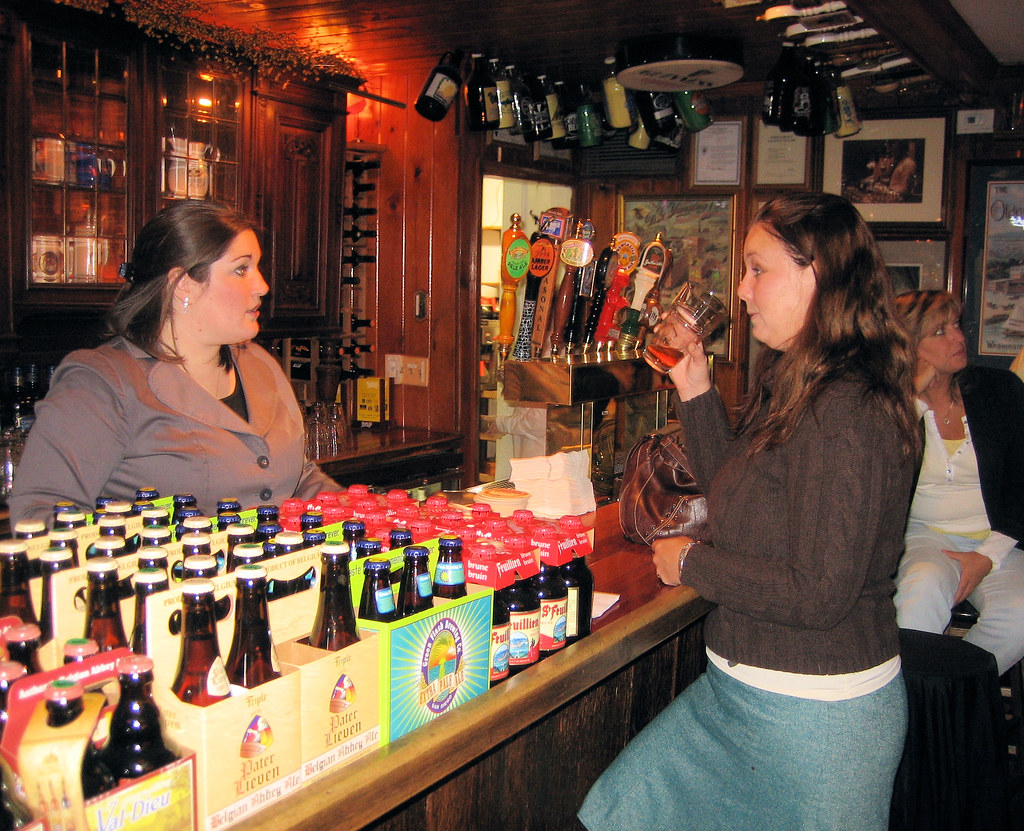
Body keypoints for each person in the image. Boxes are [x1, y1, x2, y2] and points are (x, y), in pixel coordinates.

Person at [579, 192, 921, 831]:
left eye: (757, 268)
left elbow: (819, 592)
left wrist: (693, 564)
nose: (741, 290)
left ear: (814, 273)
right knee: (620, 810)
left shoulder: (848, 407)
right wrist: (695, 385)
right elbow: (739, 494)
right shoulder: (802, 378)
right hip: (745, 695)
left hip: (816, 718)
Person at [10, 201, 338, 523]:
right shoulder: (102, 383)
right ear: (183, 285)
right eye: (241, 269)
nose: (262, 286)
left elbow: (299, 479)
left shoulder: (259, 364)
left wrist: (375, 513)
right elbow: (39, 515)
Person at [892, 290, 1024, 676]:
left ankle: (951, 697)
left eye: (955, 325)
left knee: (1018, 616)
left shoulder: (1000, 391)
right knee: (920, 593)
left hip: (1001, 540)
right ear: (910, 344)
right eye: (939, 331)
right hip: (924, 534)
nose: (958, 337)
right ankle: (911, 710)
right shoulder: (890, 403)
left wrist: (988, 555)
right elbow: (877, 470)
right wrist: (914, 396)